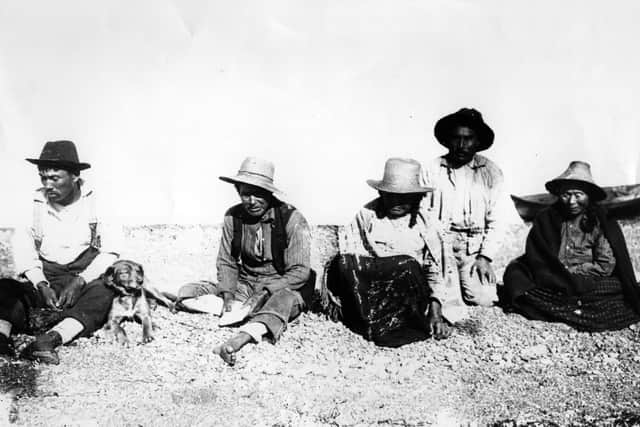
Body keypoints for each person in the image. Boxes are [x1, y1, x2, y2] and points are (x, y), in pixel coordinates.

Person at [173, 157, 313, 366]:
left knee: (283, 302)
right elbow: (227, 260)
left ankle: (239, 339)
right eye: (246, 194)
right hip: (246, 284)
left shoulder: (292, 219)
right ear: (238, 192)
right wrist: (228, 293)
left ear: (269, 193)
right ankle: (234, 310)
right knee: (189, 291)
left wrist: (267, 291)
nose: (252, 201)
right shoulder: (233, 217)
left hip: (280, 286)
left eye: (259, 194)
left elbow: (300, 271)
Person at [0, 140, 121, 364]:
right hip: (47, 278)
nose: (47, 184)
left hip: (85, 279)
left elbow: (111, 252)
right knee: (5, 288)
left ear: (75, 176)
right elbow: (25, 251)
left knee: (105, 291)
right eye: (43, 177)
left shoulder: (96, 202)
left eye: (55, 178)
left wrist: (80, 281)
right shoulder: (33, 203)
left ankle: (50, 340)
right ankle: (1, 339)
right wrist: (41, 284)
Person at [327, 158, 467, 347]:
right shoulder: (367, 215)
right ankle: (366, 317)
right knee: (343, 262)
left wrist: (435, 312)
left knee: (406, 265)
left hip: (408, 292)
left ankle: (396, 323)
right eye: (390, 195)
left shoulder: (427, 224)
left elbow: (436, 270)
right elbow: (353, 258)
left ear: (417, 197)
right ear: (380, 192)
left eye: (404, 197)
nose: (396, 202)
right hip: (372, 288)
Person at [502, 161, 640, 331]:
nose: (572, 201)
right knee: (515, 274)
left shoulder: (601, 221)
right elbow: (538, 256)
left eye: (578, 194)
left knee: (613, 288)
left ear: (589, 196)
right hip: (553, 278)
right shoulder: (546, 218)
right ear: (559, 195)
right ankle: (578, 310)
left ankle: (561, 309)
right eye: (566, 195)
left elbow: (605, 265)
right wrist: (559, 275)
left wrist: (574, 272)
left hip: (590, 279)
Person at [423, 107, 506, 307]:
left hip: (473, 247)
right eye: (456, 138)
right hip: (441, 245)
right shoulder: (432, 169)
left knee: (482, 299)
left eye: (468, 138)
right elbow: (423, 214)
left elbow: (498, 218)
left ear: (477, 141)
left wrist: (485, 257)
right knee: (443, 299)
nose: (461, 145)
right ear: (447, 140)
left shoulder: (490, 172)